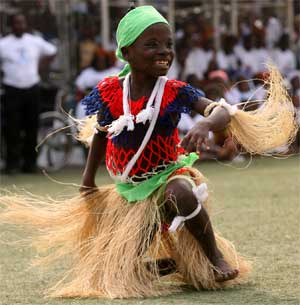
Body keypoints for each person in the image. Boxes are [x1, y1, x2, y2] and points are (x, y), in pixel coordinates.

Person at [0, 5, 297, 300]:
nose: (164, 51)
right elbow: (101, 135)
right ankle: (173, 264)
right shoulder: (110, 92)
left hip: (167, 175)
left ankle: (214, 256)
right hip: (130, 193)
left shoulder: (175, 90)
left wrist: (205, 124)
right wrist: (88, 179)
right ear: (126, 52)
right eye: (151, 44)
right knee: (119, 272)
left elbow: (221, 111)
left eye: (168, 44)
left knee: (182, 192)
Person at [0, 13, 57, 174]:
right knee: (12, 128)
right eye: (16, 23)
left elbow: (52, 51)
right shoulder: (3, 44)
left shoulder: (34, 41)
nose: (19, 26)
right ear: (11, 26)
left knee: (32, 127)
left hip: (32, 88)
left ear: (25, 24)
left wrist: (41, 65)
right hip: (12, 89)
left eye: (22, 23)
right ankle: (12, 164)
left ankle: (30, 163)